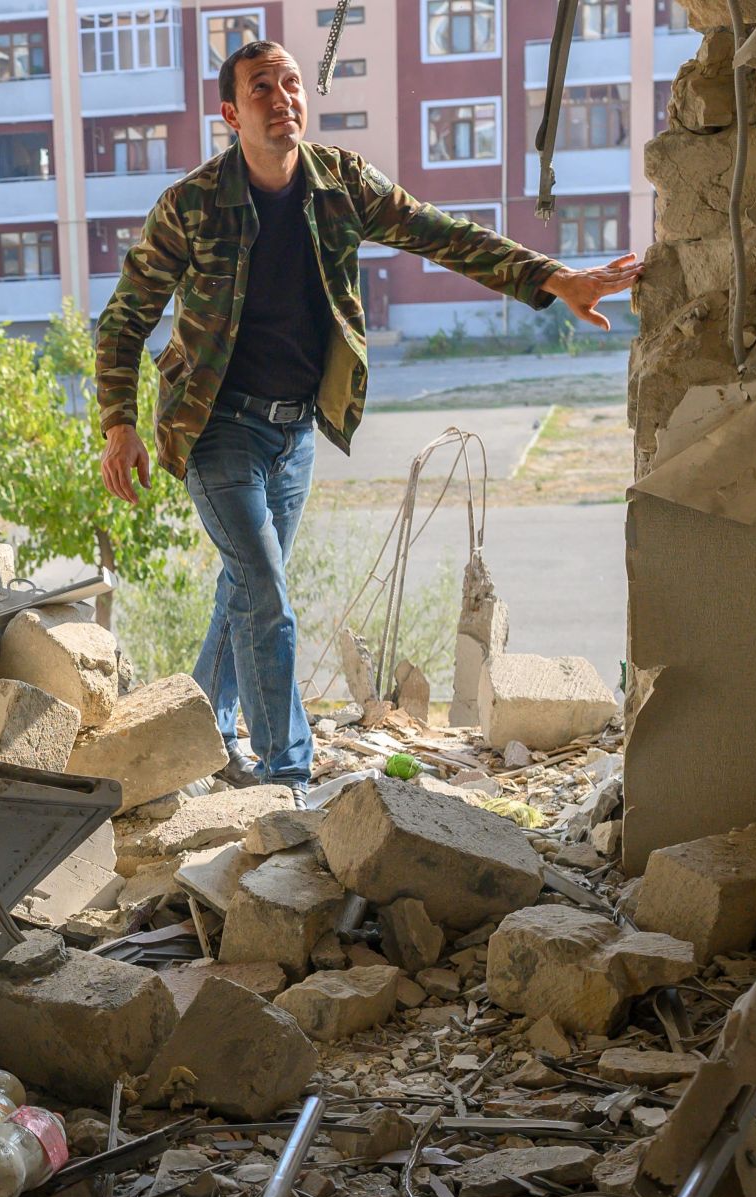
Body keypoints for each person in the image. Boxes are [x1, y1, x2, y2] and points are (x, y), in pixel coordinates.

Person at [93, 39, 639, 804]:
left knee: (246, 589)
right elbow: (123, 321)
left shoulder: (340, 184)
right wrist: (119, 424)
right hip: (214, 426)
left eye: (290, 83)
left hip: (293, 435)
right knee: (267, 594)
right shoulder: (191, 206)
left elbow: (444, 235)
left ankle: (202, 726)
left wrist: (553, 279)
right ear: (230, 114)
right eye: (260, 88)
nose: (282, 97)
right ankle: (286, 776)